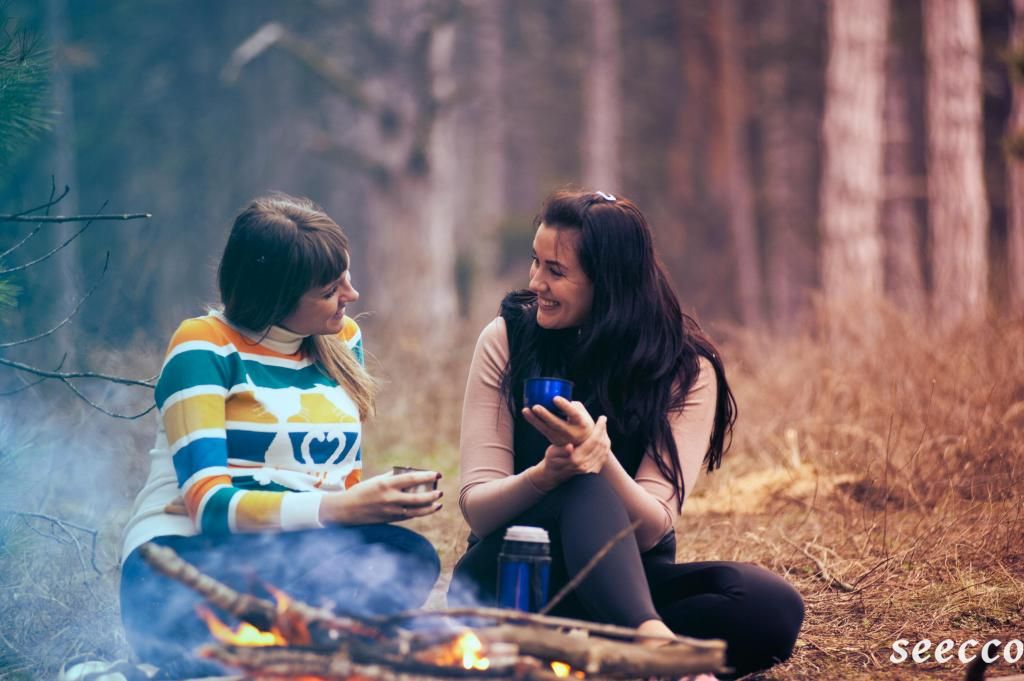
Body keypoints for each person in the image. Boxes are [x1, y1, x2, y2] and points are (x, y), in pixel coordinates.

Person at [449, 190, 804, 679]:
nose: (536, 282)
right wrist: (546, 476)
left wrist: (602, 460)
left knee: (770, 605)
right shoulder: (507, 340)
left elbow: (653, 525)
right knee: (579, 485)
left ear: (609, 283)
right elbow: (479, 509)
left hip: (625, 581)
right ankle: (653, 650)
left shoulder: (686, 368)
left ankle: (605, 652)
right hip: (511, 579)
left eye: (556, 271)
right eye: (536, 262)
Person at [120, 194, 442, 675]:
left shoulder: (342, 339)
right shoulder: (203, 345)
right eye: (331, 289)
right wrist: (341, 509)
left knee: (406, 554)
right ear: (276, 296)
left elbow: (336, 480)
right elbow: (209, 508)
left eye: (347, 277)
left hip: (289, 555)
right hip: (181, 565)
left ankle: (297, 657)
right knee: (325, 576)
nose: (351, 295)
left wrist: (369, 504)